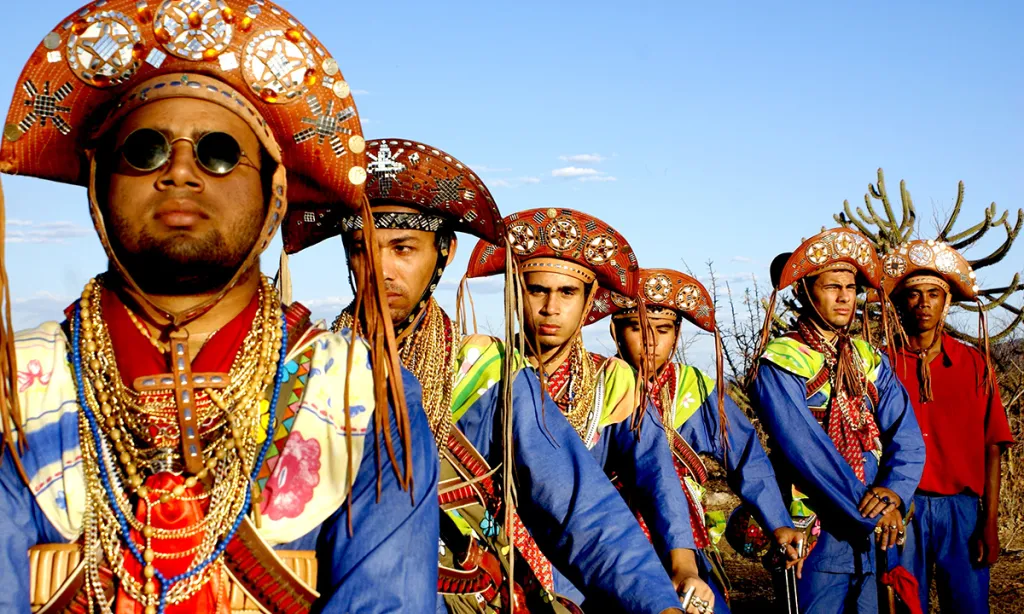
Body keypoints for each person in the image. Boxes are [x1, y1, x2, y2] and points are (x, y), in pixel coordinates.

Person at [0, 2, 439, 612]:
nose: (180, 170)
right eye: (145, 150)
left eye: (219, 153)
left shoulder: (362, 390)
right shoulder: (15, 386)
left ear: (273, 193)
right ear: (99, 184)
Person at [286, 140, 691, 613]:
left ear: (444, 253)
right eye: (361, 248)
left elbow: (577, 501)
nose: (380, 269)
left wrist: (657, 600)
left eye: (403, 249)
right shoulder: (307, 363)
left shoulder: (485, 371)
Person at [466, 208, 716, 614]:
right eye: (536, 290)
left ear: (587, 304)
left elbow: (655, 472)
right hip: (488, 559)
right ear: (516, 294)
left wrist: (682, 562)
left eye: (567, 292)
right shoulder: (487, 371)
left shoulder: (611, 381)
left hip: (587, 565)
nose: (550, 307)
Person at [593, 268, 806, 612]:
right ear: (616, 332)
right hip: (613, 534)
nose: (651, 341)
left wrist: (777, 522)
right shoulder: (598, 387)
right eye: (637, 329)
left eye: (662, 330)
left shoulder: (698, 388)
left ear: (676, 335)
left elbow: (746, 457)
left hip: (687, 538)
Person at [750, 227, 926, 613]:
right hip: (817, 526)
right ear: (804, 293)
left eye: (851, 287)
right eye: (832, 287)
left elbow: (906, 435)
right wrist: (874, 511)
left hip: (879, 526)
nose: (845, 296)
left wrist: (895, 492)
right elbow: (807, 451)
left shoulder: (869, 358)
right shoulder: (782, 362)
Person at [881, 239, 1014, 613]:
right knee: (904, 603)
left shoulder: (974, 364)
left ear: (946, 302)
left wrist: (990, 521)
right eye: (914, 295)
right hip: (903, 508)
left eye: (934, 295)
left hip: (962, 510)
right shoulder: (883, 367)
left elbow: (993, 445)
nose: (923, 304)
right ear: (900, 303)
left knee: (969, 605)